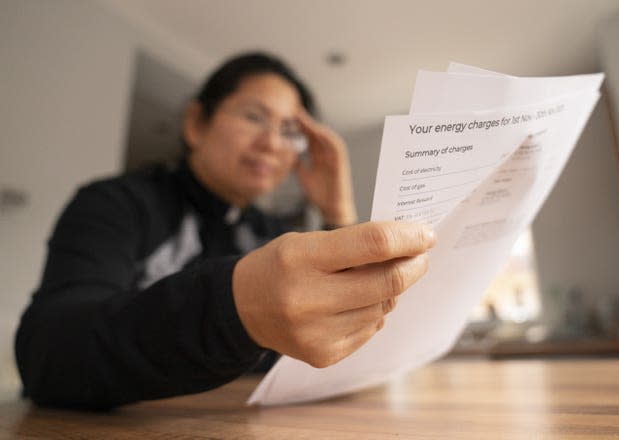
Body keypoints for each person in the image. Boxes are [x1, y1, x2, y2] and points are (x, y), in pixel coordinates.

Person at [14, 52, 435, 409]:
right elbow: (49, 353)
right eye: (255, 116)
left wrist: (337, 211)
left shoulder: (271, 232)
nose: (272, 142)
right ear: (197, 123)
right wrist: (238, 306)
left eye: (290, 132)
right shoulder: (117, 204)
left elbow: (340, 347)